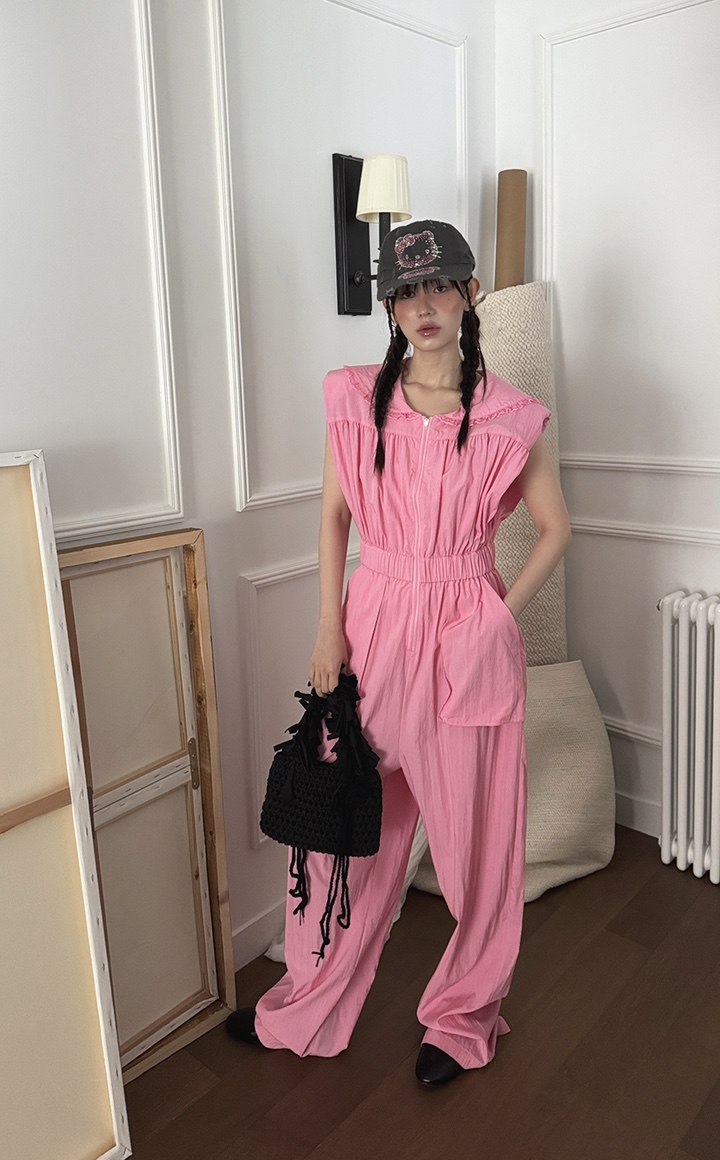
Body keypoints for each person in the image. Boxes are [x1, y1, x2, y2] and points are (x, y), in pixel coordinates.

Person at [226, 220, 571, 1087]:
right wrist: (327, 626)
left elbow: (557, 529)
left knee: (479, 848)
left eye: (440, 286)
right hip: (372, 628)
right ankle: (306, 1002)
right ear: (389, 305)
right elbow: (334, 516)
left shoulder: (510, 415)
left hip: (466, 635)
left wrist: (497, 620)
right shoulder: (354, 400)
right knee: (340, 829)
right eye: (406, 291)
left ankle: (461, 1019)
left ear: (469, 295)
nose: (424, 306)